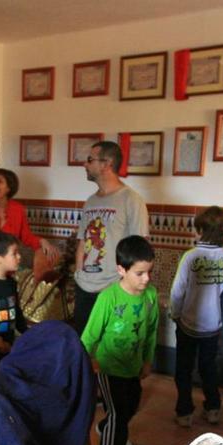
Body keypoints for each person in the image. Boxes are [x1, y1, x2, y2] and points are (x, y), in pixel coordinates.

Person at [80, 235, 158, 445]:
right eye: (139, 273)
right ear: (121, 270)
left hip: (133, 367)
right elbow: (90, 335)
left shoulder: (150, 296)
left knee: (130, 406)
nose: (146, 279)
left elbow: (152, 331)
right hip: (107, 366)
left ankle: (109, 429)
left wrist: (147, 360)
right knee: (117, 412)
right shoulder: (108, 298)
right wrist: (81, 362)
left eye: (149, 272)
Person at [72, 141, 150, 331]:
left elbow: (140, 250)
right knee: (82, 346)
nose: (85, 164)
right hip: (84, 288)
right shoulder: (90, 201)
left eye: (90, 160)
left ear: (106, 164)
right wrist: (79, 273)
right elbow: (83, 242)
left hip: (114, 289)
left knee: (109, 351)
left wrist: (127, 288)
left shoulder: (131, 200)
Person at [169, 205, 223, 428]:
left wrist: (174, 314)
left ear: (201, 229)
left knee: (183, 369)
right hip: (214, 325)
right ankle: (213, 408)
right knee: (209, 368)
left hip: (187, 323)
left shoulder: (191, 256)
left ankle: (184, 412)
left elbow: (178, 291)